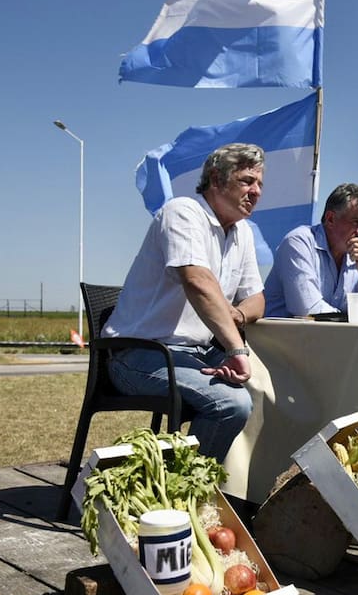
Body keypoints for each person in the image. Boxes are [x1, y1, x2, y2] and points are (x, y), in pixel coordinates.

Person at [102, 143, 266, 463]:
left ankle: (230, 486)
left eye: (260, 183)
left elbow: (258, 299)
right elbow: (197, 281)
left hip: (193, 353)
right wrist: (236, 350)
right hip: (139, 353)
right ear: (216, 180)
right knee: (230, 405)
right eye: (247, 180)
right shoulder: (183, 211)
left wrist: (236, 313)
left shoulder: (242, 231)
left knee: (270, 385)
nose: (257, 191)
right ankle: (185, 495)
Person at [263, 183, 358, 317]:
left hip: (330, 337)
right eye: (355, 222)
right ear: (330, 219)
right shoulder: (299, 242)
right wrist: (353, 319)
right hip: (280, 336)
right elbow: (308, 310)